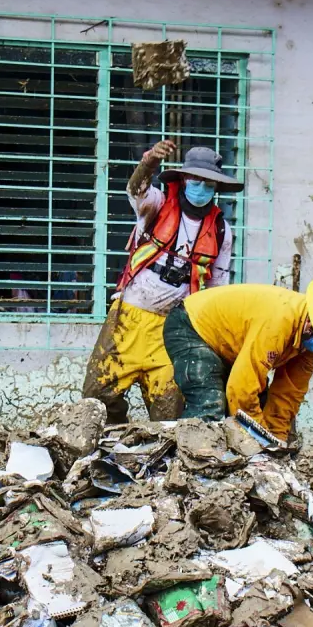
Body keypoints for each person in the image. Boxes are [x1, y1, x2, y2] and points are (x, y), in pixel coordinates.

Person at [81, 141, 240, 424]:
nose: (201, 188)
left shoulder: (221, 230)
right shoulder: (157, 204)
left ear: (216, 188)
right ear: (183, 179)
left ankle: (156, 451)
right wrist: (149, 162)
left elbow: (218, 284)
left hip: (174, 328)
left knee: (169, 410)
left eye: (208, 184)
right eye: (195, 181)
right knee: (98, 395)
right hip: (129, 317)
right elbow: (135, 190)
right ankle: (111, 442)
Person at [162, 279, 313, 440]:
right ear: (312, 324)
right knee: (210, 406)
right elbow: (241, 390)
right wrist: (259, 440)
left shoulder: (312, 340)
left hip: (229, 344)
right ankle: (187, 468)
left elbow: (288, 394)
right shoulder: (279, 323)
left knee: (258, 405)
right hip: (191, 325)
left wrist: (276, 440)